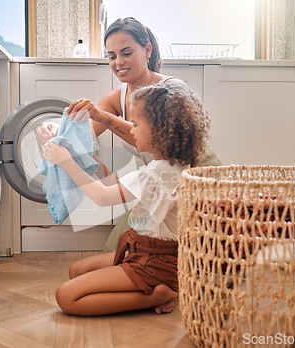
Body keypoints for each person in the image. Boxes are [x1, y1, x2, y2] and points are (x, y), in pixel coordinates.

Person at [36, 16, 220, 251]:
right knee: (116, 249)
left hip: (195, 174)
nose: (118, 62)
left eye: (126, 53)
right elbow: (81, 139)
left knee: (194, 245)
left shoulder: (172, 90)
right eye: (111, 56)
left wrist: (104, 117)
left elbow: (159, 141)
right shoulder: (115, 98)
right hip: (156, 181)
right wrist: (56, 133)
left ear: (147, 50)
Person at [41, 83, 211, 316]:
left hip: (156, 262)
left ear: (159, 131)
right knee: (77, 271)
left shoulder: (156, 173)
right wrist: (94, 161)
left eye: (136, 124)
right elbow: (116, 188)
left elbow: (102, 197)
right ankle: (155, 290)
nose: (130, 130)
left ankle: (156, 294)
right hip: (148, 252)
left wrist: (65, 162)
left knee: (66, 296)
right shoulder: (170, 167)